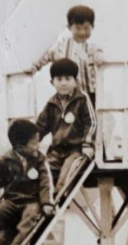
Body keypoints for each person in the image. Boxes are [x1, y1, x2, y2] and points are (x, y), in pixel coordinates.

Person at [0, 120, 55, 245]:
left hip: (31, 202)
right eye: (34, 143)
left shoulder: (39, 159)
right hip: (11, 201)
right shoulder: (5, 160)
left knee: (30, 217)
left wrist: (46, 203)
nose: (37, 146)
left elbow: (45, 182)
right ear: (20, 146)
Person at [35, 58, 97, 193]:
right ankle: (43, 199)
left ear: (76, 81)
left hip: (76, 150)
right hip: (56, 150)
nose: (63, 83)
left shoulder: (82, 99)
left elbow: (91, 123)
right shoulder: (51, 103)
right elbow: (40, 126)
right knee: (43, 171)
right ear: (52, 82)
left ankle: (59, 198)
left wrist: (87, 144)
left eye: (68, 79)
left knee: (65, 177)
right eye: (59, 79)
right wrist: (31, 143)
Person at [30, 4, 103, 105]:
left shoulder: (93, 46)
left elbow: (100, 57)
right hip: (68, 91)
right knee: (68, 112)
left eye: (86, 28)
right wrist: (36, 66)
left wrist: (99, 58)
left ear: (92, 27)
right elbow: (48, 55)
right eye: (78, 28)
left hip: (89, 91)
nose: (82, 32)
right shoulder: (62, 45)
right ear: (69, 27)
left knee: (89, 113)